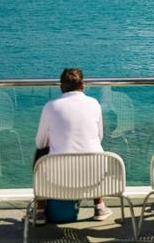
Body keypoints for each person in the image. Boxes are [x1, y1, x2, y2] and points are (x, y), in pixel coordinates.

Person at [33, 68, 111, 225]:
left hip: (60, 175)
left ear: (61, 86)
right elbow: (99, 137)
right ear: (83, 85)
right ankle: (99, 205)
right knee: (92, 146)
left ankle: (40, 209)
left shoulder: (51, 106)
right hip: (94, 174)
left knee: (40, 153)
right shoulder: (94, 104)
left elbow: (40, 143)